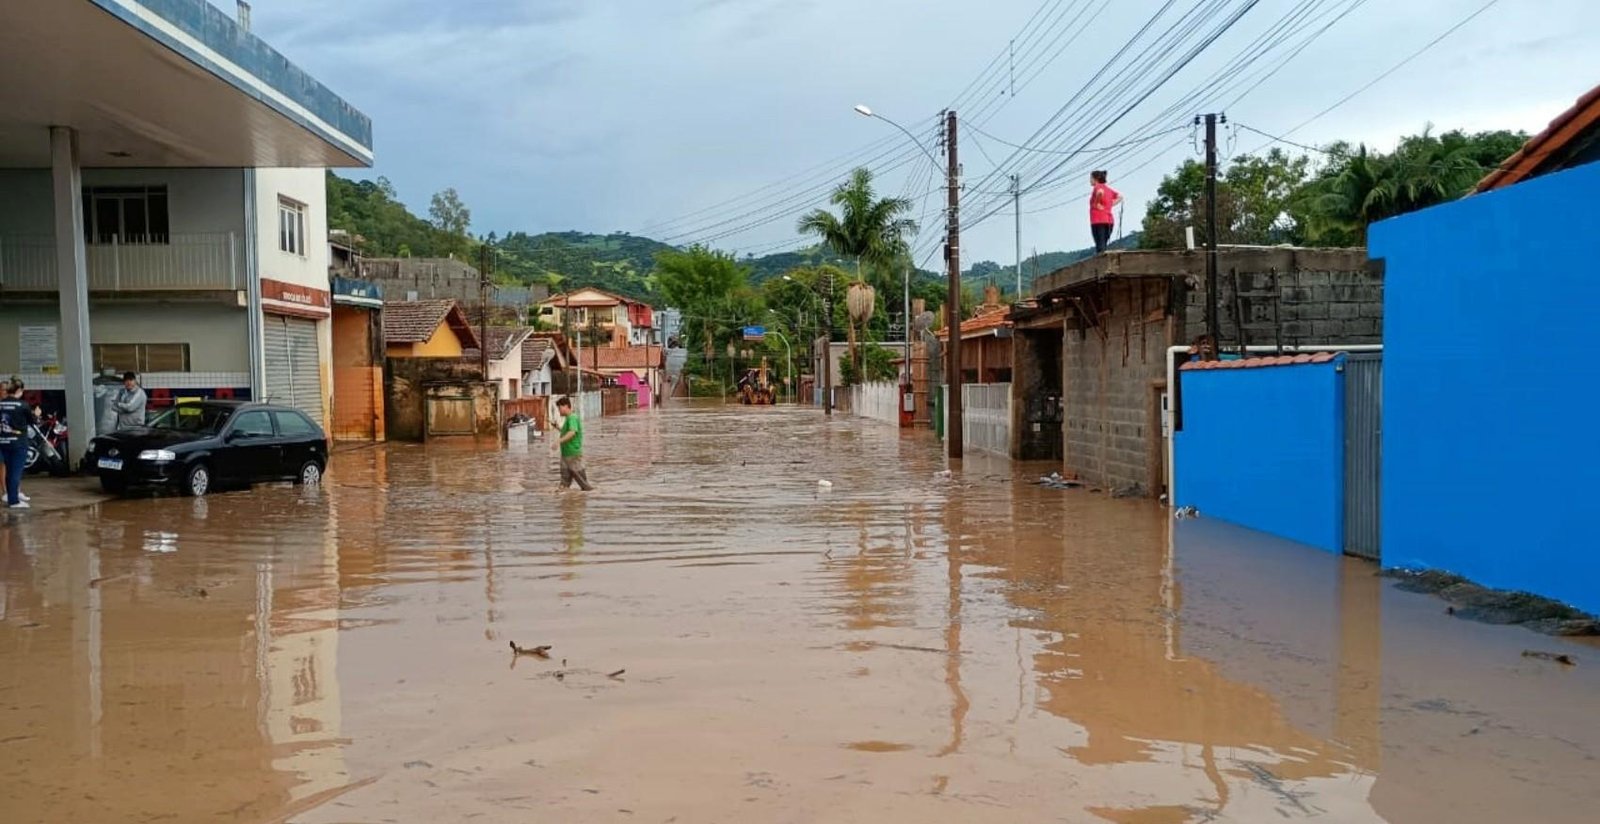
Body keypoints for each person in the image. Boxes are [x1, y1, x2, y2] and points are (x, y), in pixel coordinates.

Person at [1, 378, 32, 509]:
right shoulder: (23, 405)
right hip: (18, 444)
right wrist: (36, 414)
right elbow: (31, 421)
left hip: (2, 442)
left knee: (8, 472)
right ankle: (14, 501)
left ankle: (10, 496)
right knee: (15, 472)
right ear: (18, 390)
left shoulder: (1, 403)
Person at [552, 396, 594, 492]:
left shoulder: (572, 418)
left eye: (559, 408)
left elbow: (572, 432)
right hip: (566, 454)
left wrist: (558, 441)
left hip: (573, 454)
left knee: (583, 483)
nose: (559, 411)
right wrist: (558, 427)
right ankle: (565, 498)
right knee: (564, 482)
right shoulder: (569, 418)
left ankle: (589, 497)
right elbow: (567, 431)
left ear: (566, 406)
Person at [1089, 170, 1122, 255]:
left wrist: (1096, 203)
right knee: (1103, 244)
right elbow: (1120, 196)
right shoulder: (1108, 189)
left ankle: (1101, 264)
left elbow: (1100, 192)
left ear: (1095, 179)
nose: (1090, 180)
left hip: (1098, 221)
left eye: (1091, 178)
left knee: (1100, 245)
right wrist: (1111, 204)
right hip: (1109, 221)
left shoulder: (1098, 187)